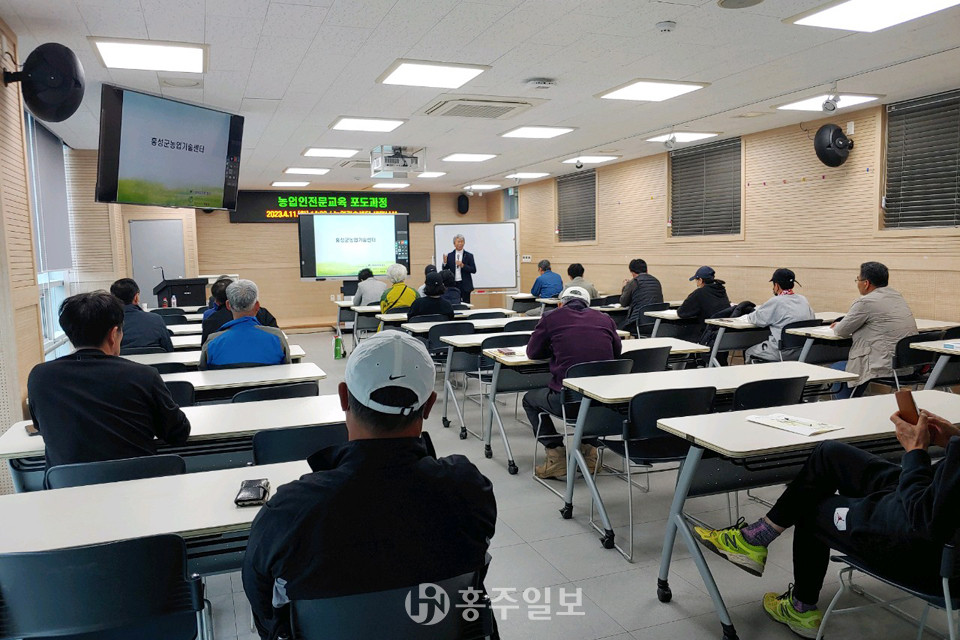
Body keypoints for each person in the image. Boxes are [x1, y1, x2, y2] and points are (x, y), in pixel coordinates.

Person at [242, 331, 497, 639]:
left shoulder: (289, 511)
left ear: (343, 397)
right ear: (429, 405)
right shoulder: (469, 489)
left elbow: (265, 608)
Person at [694, 408, 960, 639]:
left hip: (918, 545)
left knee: (809, 506)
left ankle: (801, 608)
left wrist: (916, 452)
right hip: (928, 499)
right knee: (830, 453)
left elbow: (924, 521)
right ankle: (757, 537)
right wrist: (953, 441)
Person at [26, 291, 190, 469]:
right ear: (113, 334)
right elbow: (178, 434)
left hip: (68, 484)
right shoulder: (144, 376)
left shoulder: (40, 377)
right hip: (139, 481)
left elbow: (42, 427)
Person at [522, 286, 622, 479]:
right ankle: (589, 453)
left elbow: (532, 353)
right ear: (588, 304)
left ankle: (556, 455)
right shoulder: (605, 319)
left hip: (568, 403)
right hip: (604, 403)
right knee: (590, 395)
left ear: (561, 303)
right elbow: (616, 353)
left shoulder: (550, 318)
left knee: (529, 400)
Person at [830, 261, 917, 398]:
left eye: (858, 279)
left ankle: (847, 406)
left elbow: (841, 331)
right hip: (907, 364)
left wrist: (839, 325)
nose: (857, 283)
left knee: (838, 368)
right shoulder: (897, 296)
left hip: (883, 366)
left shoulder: (865, 302)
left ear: (866, 283)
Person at [200, 279, 291, 369]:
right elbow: (287, 369)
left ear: (228, 305)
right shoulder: (277, 338)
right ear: (257, 306)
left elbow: (203, 372)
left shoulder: (212, 342)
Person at [740, 268, 815, 362]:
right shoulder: (803, 300)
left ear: (776, 285)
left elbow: (757, 319)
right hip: (804, 350)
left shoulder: (776, 302)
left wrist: (750, 314)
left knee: (749, 352)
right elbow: (812, 319)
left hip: (782, 352)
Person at [202, 277, 279, 345]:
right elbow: (278, 339)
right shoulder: (264, 314)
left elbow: (206, 350)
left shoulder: (211, 321)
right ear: (257, 305)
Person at [109, 278, 173, 353]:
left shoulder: (107, 323)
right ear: (136, 297)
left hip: (120, 360)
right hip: (153, 360)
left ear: (112, 299)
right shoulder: (156, 319)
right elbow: (169, 350)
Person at [677, 265, 731, 333]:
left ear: (700, 280)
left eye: (696, 281)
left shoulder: (700, 293)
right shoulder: (721, 290)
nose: (697, 284)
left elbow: (681, 312)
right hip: (723, 332)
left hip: (708, 333)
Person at [620, 258, 664, 333]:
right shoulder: (656, 281)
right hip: (656, 323)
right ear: (646, 270)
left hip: (638, 323)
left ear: (632, 272)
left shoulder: (634, 282)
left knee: (619, 326)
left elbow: (623, 302)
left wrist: (625, 287)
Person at [442, 234, 477, 303]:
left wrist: (463, 265)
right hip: (454, 284)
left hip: (465, 284)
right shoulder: (450, 255)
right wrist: (445, 262)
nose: (460, 244)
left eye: (462, 242)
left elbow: (473, 270)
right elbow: (445, 269)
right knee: (455, 303)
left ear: (464, 243)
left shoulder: (469, 255)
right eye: (458, 242)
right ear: (454, 243)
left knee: (466, 304)